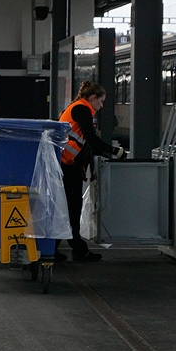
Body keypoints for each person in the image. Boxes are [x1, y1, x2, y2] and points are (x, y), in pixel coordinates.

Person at [57, 81, 121, 262]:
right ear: (92, 98)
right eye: (100, 102)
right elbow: (92, 139)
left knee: (69, 207)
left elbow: (86, 142)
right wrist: (116, 151)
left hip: (69, 165)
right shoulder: (82, 110)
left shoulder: (78, 108)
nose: (101, 106)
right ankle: (76, 250)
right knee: (72, 208)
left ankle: (64, 248)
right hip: (67, 166)